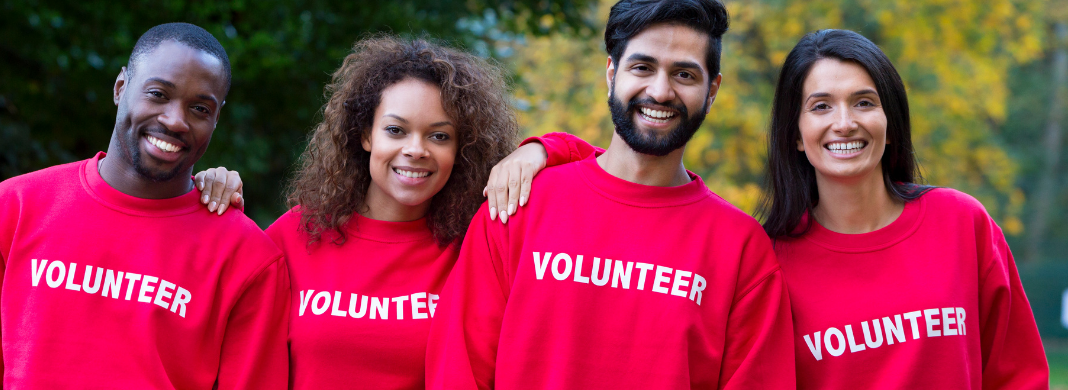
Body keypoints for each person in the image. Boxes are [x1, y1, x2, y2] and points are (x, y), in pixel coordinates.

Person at [424, 0, 795, 388]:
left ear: (712, 89)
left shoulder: (741, 248)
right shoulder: (518, 205)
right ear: (612, 73)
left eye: (684, 74)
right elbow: (458, 368)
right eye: (642, 67)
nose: (660, 91)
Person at [0, 23, 289, 388]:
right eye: (158, 94)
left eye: (198, 108)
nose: (175, 120)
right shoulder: (12, 208)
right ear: (120, 88)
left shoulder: (246, 257)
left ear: (216, 119)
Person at [196, 35, 524, 389]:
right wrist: (202, 191)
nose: (416, 150)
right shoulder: (296, 235)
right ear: (367, 135)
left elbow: (589, 169)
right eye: (396, 130)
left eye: (439, 137)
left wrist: (542, 149)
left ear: (462, 148)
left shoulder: (472, 251)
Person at [756, 29, 1049, 389]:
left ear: (891, 123)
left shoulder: (961, 223)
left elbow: (1019, 375)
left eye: (864, 102)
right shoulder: (769, 261)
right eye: (821, 106)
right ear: (796, 135)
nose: (845, 123)